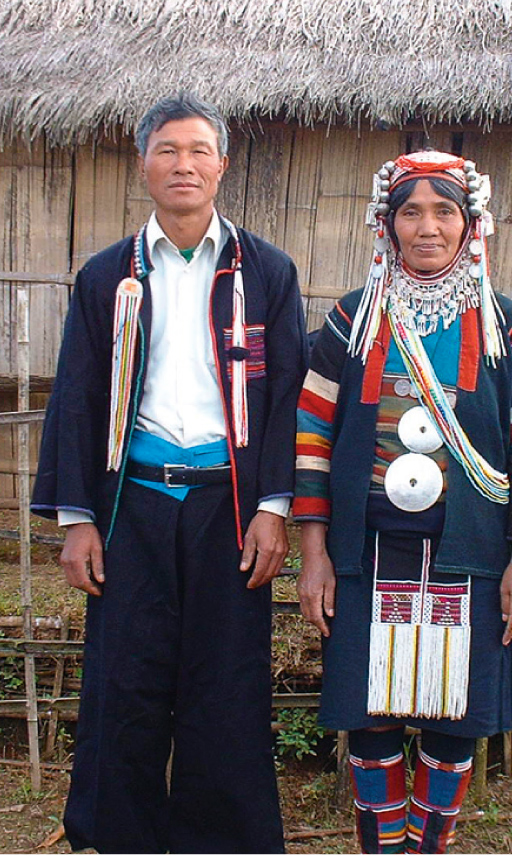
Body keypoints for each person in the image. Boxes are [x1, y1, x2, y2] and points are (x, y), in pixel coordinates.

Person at [32, 93, 308, 854]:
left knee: (228, 681)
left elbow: (287, 395)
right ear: (143, 165)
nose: (183, 165)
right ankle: (117, 837)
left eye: (198, 151)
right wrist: (79, 518)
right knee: (123, 679)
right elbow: (79, 395)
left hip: (231, 508)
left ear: (222, 165)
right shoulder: (107, 277)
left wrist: (274, 506)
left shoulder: (268, 271)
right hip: (135, 505)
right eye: (167, 150)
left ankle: (222, 841)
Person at [293, 150, 512, 854]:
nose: (427, 227)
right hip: (363, 554)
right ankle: (382, 846)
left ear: (471, 224)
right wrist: (315, 553)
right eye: (410, 212)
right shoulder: (351, 322)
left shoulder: (503, 325)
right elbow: (313, 439)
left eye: (444, 211)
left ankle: (429, 847)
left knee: (455, 721)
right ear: (386, 225)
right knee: (370, 717)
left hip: (471, 554)